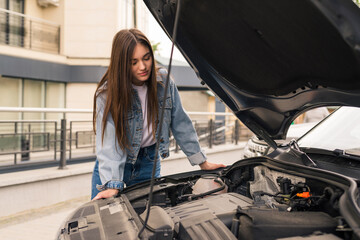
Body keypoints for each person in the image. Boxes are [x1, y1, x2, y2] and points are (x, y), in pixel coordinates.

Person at [91, 29, 225, 200]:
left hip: (149, 162)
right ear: (121, 63)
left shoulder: (163, 82)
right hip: (113, 167)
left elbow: (180, 123)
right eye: (134, 62)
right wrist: (113, 184)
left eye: (146, 58)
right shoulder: (106, 94)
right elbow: (109, 143)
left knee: (148, 217)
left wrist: (202, 161)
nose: (143, 66)